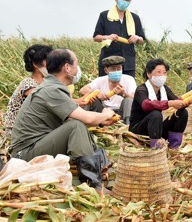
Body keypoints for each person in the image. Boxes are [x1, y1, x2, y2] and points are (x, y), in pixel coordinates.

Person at [9, 49, 117, 190]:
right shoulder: (51, 90)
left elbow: (78, 117)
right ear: (67, 67)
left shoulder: (51, 87)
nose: (78, 69)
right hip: (24, 154)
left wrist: (101, 121)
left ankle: (101, 174)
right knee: (76, 126)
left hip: (35, 145)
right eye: (76, 64)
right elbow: (87, 118)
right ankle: (92, 186)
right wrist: (106, 114)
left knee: (77, 125)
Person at [129, 58, 188, 149]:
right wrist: (169, 103)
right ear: (149, 74)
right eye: (159, 72)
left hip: (156, 128)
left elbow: (176, 101)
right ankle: (156, 148)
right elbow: (146, 105)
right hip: (139, 130)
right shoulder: (141, 89)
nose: (162, 76)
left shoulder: (164, 89)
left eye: (164, 73)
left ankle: (174, 146)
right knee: (155, 114)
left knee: (182, 112)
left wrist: (185, 101)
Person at [93, 0, 146, 78]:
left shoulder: (135, 18)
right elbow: (96, 37)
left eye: (127, 0)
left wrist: (137, 38)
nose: (124, 1)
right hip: (108, 61)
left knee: (128, 89)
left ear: (130, 0)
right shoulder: (104, 16)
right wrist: (108, 37)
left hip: (128, 62)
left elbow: (142, 39)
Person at [3, 44, 52, 138]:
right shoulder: (28, 84)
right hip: (18, 134)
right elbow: (45, 100)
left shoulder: (45, 82)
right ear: (35, 64)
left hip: (32, 130)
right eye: (48, 60)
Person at [79, 56, 137, 125]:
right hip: (104, 111)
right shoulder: (101, 80)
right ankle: (83, 124)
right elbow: (82, 90)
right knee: (91, 99)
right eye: (113, 69)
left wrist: (123, 94)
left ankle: (128, 126)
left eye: (118, 68)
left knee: (128, 100)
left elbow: (135, 98)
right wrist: (97, 95)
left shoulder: (129, 79)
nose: (116, 71)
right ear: (106, 70)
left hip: (121, 112)